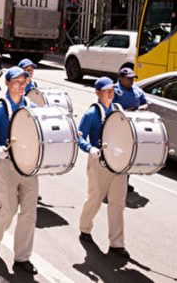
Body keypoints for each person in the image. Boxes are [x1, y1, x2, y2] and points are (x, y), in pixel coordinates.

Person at [0, 66, 39, 276]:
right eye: (17, 81)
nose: (22, 85)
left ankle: (22, 257)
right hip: (7, 165)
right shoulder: (0, 108)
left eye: (24, 81)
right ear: (7, 84)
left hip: (29, 166)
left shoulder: (31, 107)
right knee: (7, 209)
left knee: (29, 213)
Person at [77, 77, 130, 259]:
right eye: (106, 90)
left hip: (119, 163)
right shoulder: (92, 113)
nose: (110, 93)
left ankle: (117, 243)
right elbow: (79, 136)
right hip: (99, 160)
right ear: (98, 93)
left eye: (112, 90)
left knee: (118, 202)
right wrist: (89, 148)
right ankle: (85, 228)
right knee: (95, 198)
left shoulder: (118, 110)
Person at [113, 67, 148, 193]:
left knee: (129, 155)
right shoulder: (113, 90)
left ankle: (124, 183)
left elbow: (145, 103)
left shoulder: (137, 90)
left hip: (133, 128)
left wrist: (142, 108)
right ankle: (111, 183)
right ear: (121, 78)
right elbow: (107, 107)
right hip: (117, 128)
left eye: (133, 79)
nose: (131, 81)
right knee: (117, 155)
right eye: (128, 79)